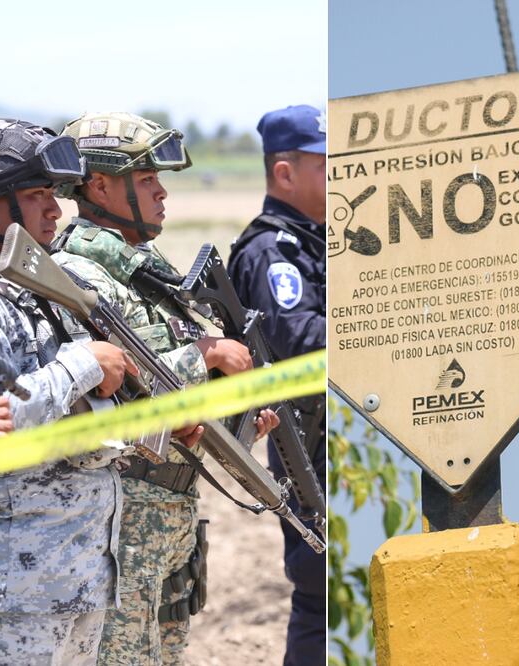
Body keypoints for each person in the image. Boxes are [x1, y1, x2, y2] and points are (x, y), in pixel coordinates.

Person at [51, 111, 278, 665]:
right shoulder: (76, 272)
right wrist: (205, 355)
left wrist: (236, 416)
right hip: (122, 514)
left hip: (169, 507)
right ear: (99, 186)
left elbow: (175, 392)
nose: (162, 192)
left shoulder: (143, 269)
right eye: (147, 180)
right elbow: (111, 376)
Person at [0, 118, 138, 665]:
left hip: (73, 576)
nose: (56, 211)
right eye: (37, 195)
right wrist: (82, 362)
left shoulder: (28, 286)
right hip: (6, 592)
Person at [227, 104, 326, 666]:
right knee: (322, 594)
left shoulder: (310, 242)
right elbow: (298, 338)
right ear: (284, 173)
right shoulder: (274, 251)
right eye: (324, 167)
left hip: (328, 440)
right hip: (306, 444)